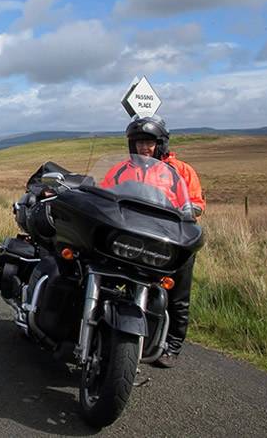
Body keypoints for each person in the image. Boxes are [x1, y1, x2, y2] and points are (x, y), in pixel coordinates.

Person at [102, 115, 206, 368]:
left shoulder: (180, 170)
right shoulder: (120, 170)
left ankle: (172, 345)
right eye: (138, 142)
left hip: (167, 238)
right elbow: (104, 195)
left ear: (160, 143)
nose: (143, 148)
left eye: (148, 142)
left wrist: (188, 210)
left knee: (178, 292)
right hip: (130, 236)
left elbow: (196, 203)